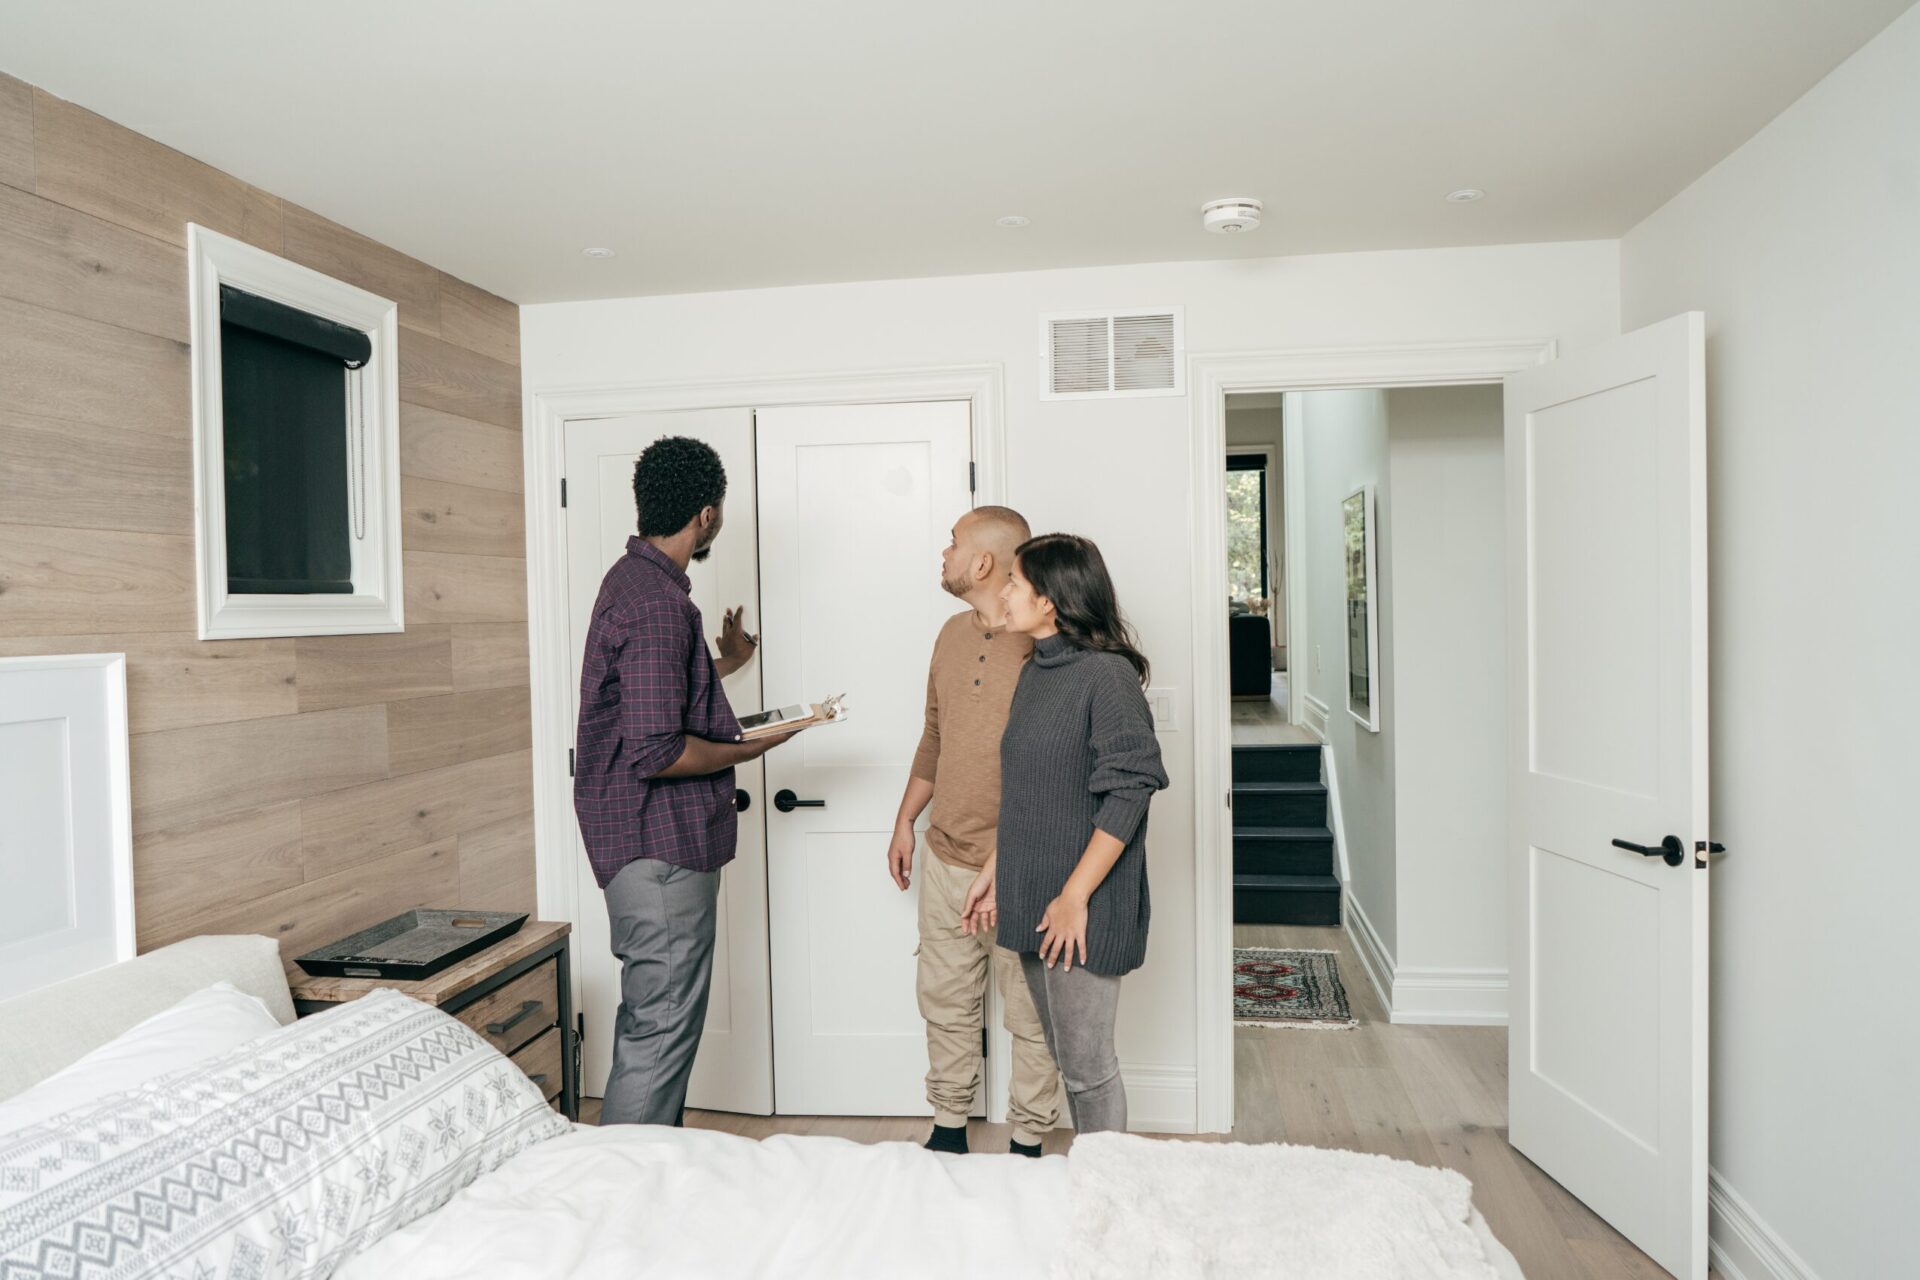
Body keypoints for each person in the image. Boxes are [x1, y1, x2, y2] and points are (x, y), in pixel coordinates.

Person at [574, 435, 793, 1127]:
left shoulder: (633, 584)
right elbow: (657, 751)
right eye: (718, 511)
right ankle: (625, 1193)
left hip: (643, 846)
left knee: (655, 1024)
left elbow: (645, 701)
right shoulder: (659, 605)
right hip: (658, 849)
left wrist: (725, 664)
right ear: (706, 515)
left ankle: (639, 1183)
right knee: (661, 1030)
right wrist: (750, 746)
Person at [964, 533, 1167, 1135]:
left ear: (1050, 600)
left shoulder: (1106, 677)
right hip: (1037, 896)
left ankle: (1110, 1201)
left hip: (1082, 903)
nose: (1003, 591)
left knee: (1087, 1069)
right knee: (1066, 1061)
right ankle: (1091, 1189)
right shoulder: (1037, 670)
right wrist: (998, 869)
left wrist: (1074, 896)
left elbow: (1131, 790)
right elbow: (1035, 789)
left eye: (1016, 583)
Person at [890, 507, 1063, 1157]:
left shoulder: (1050, 640)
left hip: (1026, 865)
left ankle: (1027, 1143)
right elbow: (935, 735)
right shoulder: (949, 633)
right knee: (945, 999)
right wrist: (907, 819)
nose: (945, 551)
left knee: (1031, 1014)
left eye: (954, 543)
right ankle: (948, 1131)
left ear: (984, 562)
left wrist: (1012, 857)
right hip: (946, 856)